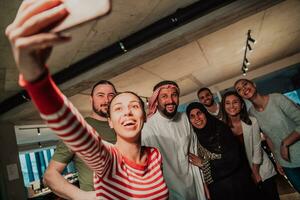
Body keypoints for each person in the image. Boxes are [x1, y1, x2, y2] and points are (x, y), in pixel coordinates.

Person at [5, 1, 169, 199]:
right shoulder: (108, 160)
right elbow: (74, 130)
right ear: (110, 121)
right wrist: (36, 77)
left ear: (144, 116)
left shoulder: (154, 155)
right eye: (118, 108)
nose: (127, 111)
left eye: (134, 106)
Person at [43, 80, 117, 199]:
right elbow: (50, 175)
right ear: (91, 100)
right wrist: (81, 196)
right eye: (100, 95)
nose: (106, 100)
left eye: (111, 95)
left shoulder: (125, 126)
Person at [142, 81, 206, 200]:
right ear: (156, 100)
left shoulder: (186, 118)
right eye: (164, 96)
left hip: (193, 186)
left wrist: (203, 182)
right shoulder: (147, 128)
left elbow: (195, 149)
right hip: (168, 192)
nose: (170, 100)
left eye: (174, 95)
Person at [234, 78, 300, 192]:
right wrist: (277, 161)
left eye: (245, 84)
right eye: (239, 89)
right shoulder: (251, 114)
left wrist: (285, 143)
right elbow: (268, 137)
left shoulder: (277, 99)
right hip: (286, 163)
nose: (243, 89)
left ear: (254, 84)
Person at [186, 102, 259, 200]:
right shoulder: (194, 138)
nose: (197, 118)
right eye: (192, 116)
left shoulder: (221, 129)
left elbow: (234, 159)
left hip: (238, 185)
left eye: (199, 113)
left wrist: (204, 163)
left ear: (205, 113)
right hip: (218, 190)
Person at [221, 91, 279, 200]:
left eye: (235, 102)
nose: (232, 106)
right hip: (241, 175)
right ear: (223, 107)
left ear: (242, 105)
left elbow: (257, 149)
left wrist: (255, 173)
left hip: (260, 169)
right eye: (227, 103)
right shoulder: (221, 127)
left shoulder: (252, 121)